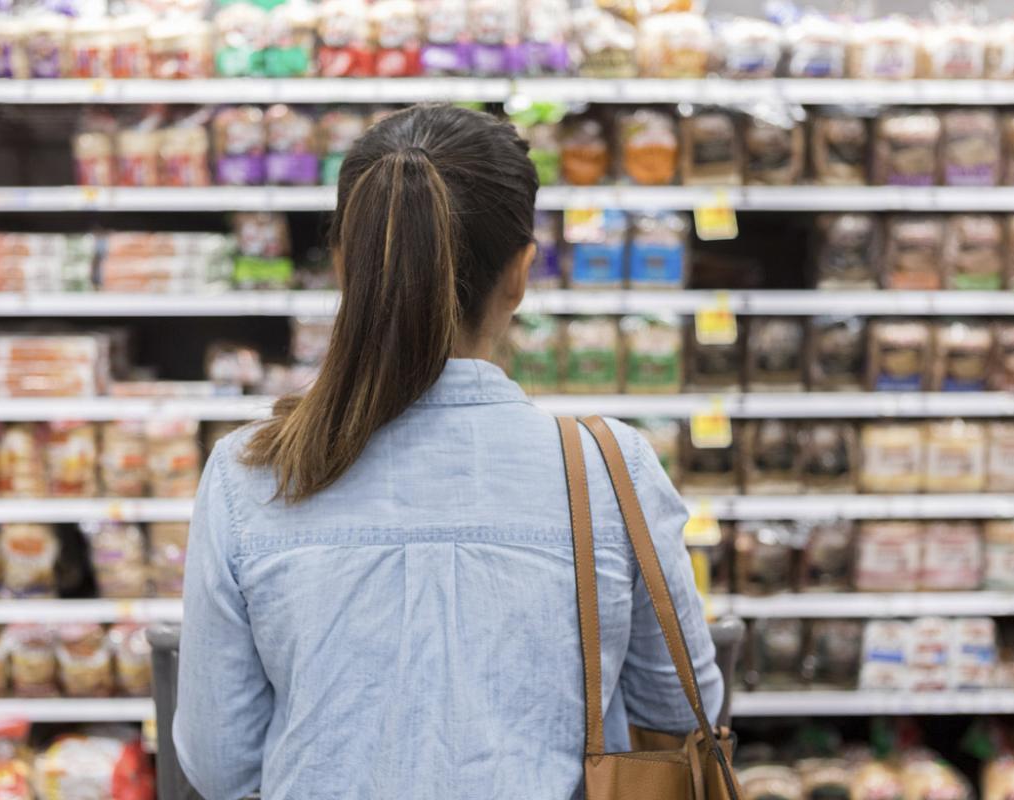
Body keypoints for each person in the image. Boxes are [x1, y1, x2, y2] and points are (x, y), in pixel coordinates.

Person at [173, 104, 722, 800]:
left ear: (347, 266)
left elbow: (220, 762)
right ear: (521, 273)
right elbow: (679, 710)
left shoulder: (251, 473)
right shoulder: (609, 467)